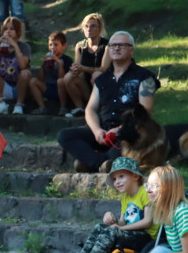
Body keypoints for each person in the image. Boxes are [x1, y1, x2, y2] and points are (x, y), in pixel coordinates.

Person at [57, 31, 159, 173]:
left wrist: (118, 130)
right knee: (65, 135)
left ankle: (93, 163)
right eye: (113, 45)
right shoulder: (102, 79)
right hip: (104, 133)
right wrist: (97, 131)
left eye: (122, 45)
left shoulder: (144, 77)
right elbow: (90, 109)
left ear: (131, 50)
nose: (116, 48)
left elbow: (145, 111)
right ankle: (102, 163)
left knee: (130, 140)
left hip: (129, 132)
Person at [57, 156, 157, 253]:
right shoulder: (126, 198)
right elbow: (122, 223)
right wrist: (111, 219)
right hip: (132, 234)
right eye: (114, 179)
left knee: (112, 231)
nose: (117, 182)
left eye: (121, 176)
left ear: (135, 176)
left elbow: (147, 222)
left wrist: (119, 229)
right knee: (100, 227)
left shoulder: (145, 192)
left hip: (146, 237)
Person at [63, 13, 110, 118]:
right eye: (86, 26)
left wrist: (83, 68)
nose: (89, 29)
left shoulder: (107, 45)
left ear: (100, 28)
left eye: (93, 26)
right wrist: (75, 69)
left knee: (96, 75)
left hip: (103, 83)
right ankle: (80, 107)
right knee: (68, 77)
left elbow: (104, 69)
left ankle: (100, 108)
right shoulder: (80, 46)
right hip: (85, 83)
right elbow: (78, 66)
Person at [0, 16, 32, 115]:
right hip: (5, 87)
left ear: (18, 32)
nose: (8, 31)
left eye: (12, 29)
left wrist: (15, 46)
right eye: (6, 29)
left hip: (20, 87)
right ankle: (1, 104)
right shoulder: (0, 48)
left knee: (26, 73)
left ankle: (19, 105)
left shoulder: (24, 47)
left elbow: (23, 66)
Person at [29, 31, 73, 115]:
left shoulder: (67, 60)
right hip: (48, 88)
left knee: (60, 81)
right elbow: (40, 78)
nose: (53, 48)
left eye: (56, 45)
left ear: (63, 46)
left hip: (61, 90)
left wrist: (59, 63)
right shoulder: (48, 58)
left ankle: (63, 107)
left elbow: (63, 78)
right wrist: (43, 65)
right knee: (33, 81)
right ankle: (42, 107)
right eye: (50, 45)